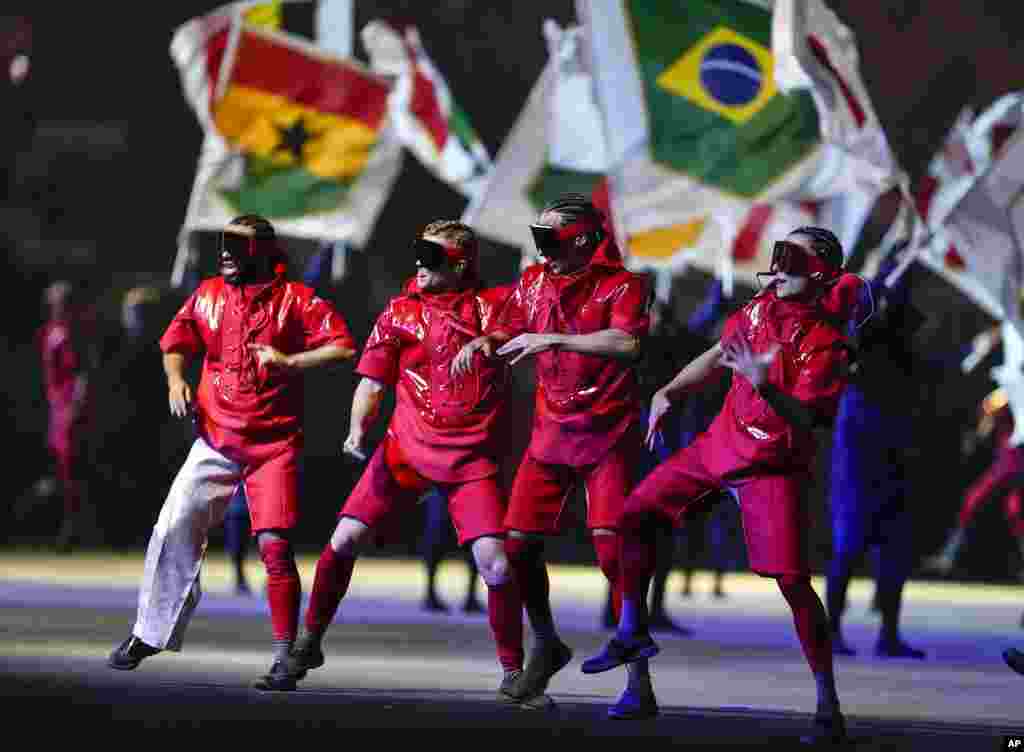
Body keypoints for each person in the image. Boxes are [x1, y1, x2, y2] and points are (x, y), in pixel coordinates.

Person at [583, 227, 860, 742]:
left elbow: (808, 419)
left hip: (772, 464)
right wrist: (669, 390)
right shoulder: (758, 309)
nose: (776, 263)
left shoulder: (828, 342)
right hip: (718, 447)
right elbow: (716, 354)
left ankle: (828, 705)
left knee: (793, 584)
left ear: (819, 270)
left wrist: (764, 383)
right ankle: (633, 657)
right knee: (633, 517)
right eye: (778, 252)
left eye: (790, 255)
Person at [107, 214, 356, 691]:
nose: (225, 253)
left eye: (237, 246)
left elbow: (343, 346)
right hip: (216, 440)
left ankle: (286, 655)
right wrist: (176, 379)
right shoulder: (208, 295)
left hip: (273, 446)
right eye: (223, 244)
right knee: (173, 525)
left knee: (274, 547)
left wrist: (291, 361)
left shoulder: (295, 300)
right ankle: (149, 633)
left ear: (263, 252)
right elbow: (175, 344)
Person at [284, 220, 525, 702]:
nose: (418, 262)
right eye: (417, 251)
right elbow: (372, 383)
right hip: (405, 450)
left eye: (431, 256)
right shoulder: (398, 312)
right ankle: (308, 642)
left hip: (468, 457)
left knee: (495, 567)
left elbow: (521, 332)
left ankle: (514, 670)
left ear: (459, 265)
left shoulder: (495, 305)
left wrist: (487, 342)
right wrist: (356, 429)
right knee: (344, 537)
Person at [492, 193, 652, 717]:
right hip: (550, 433)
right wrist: (480, 341)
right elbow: (506, 321)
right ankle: (547, 643)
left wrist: (556, 339)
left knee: (612, 555)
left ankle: (638, 682)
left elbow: (628, 344)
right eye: (537, 236)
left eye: (550, 237)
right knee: (515, 548)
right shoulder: (534, 281)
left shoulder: (625, 284)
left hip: (608, 432)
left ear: (583, 238)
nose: (541, 248)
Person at [826, 249, 927, 659]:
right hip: (861, 439)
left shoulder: (902, 324)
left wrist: (899, 274)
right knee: (850, 540)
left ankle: (889, 632)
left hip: (894, 436)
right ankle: (831, 629)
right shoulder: (862, 324)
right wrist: (883, 277)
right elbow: (861, 322)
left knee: (895, 543)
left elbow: (908, 327)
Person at [922, 383, 1024, 582]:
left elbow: (989, 408)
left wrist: (983, 428)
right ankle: (948, 555)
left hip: (1012, 461)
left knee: (975, 501)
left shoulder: (1011, 390)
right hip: (1011, 459)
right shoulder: (1010, 390)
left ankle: (948, 556)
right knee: (1016, 511)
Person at [34, 280, 97, 552]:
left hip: (68, 411)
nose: (55, 307)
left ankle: (71, 531)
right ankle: (61, 527)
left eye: (60, 303)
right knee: (59, 471)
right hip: (56, 408)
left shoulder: (70, 334)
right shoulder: (50, 331)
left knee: (71, 473)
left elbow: (81, 373)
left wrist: (75, 407)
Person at [419, 486, 484, 614]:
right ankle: (430, 593)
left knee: (473, 537)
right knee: (436, 537)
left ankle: (471, 596)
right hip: (441, 484)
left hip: (466, 486)